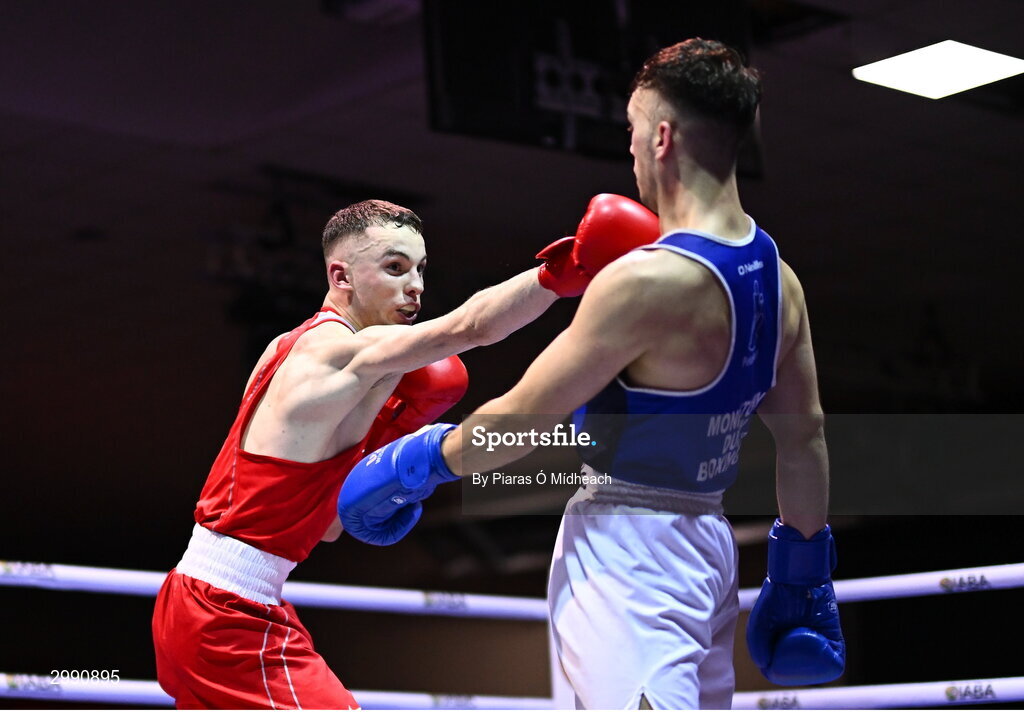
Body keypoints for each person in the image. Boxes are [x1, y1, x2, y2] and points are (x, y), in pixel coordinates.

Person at [338, 39, 845, 709]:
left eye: (632, 133)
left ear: (662, 138)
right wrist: (801, 574)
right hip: (709, 546)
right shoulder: (781, 282)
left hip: (628, 551)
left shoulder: (650, 281)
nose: (631, 151)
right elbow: (803, 440)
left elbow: (525, 418)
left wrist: (419, 463)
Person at [151, 197, 659, 709]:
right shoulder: (336, 352)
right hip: (227, 614)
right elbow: (471, 327)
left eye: (419, 269)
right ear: (341, 276)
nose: (414, 285)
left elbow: (323, 525)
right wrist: (560, 276)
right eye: (394, 268)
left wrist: (392, 427)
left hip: (204, 601)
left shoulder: (291, 349)